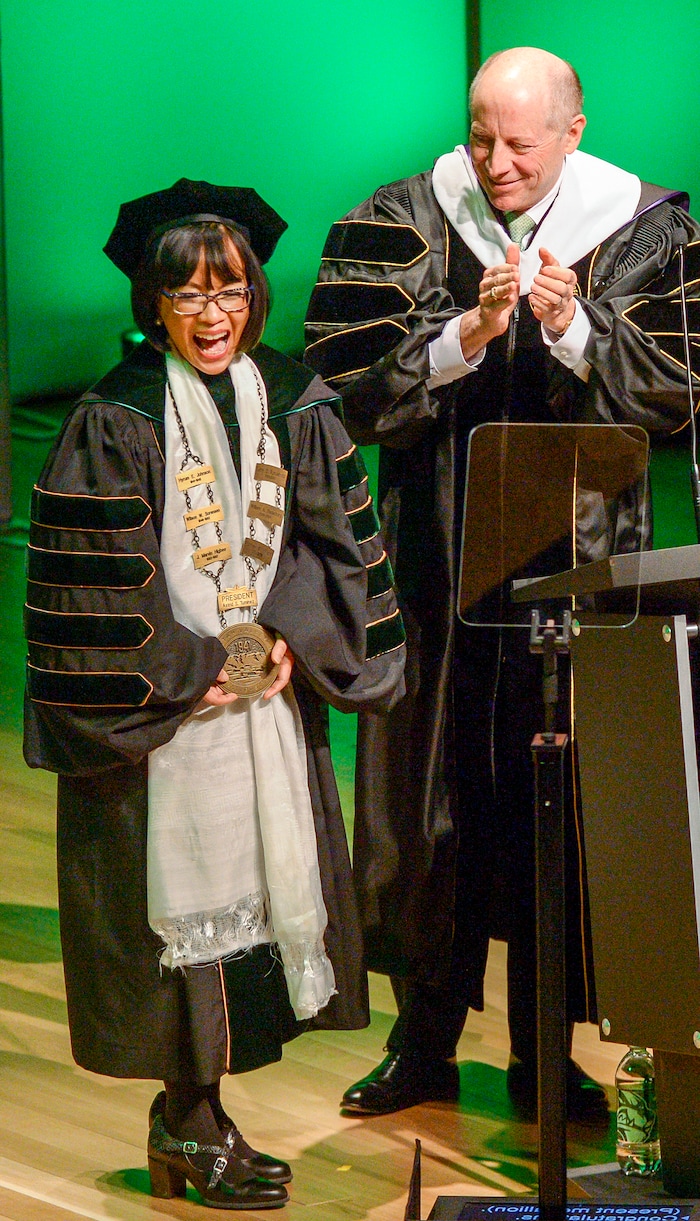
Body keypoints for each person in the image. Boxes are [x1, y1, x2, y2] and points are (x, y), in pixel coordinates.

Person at [304, 47, 700, 1121]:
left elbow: (675, 391)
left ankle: (544, 1055)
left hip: (578, 563)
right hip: (437, 564)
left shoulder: (645, 229)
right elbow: (347, 386)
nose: (496, 163)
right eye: (481, 137)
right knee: (426, 803)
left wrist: (575, 329)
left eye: (520, 143)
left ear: (573, 131)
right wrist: (463, 335)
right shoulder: (405, 215)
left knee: (557, 805)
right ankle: (421, 1043)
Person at [23, 178, 405, 1209]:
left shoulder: (294, 398)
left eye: (230, 290)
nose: (211, 314)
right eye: (187, 293)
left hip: (263, 704)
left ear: (255, 296)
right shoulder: (115, 416)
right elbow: (98, 589)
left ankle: (200, 1123)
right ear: (153, 304)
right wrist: (193, 671)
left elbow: (330, 543)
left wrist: (280, 636)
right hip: (167, 719)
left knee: (250, 916)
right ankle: (186, 1122)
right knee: (179, 914)